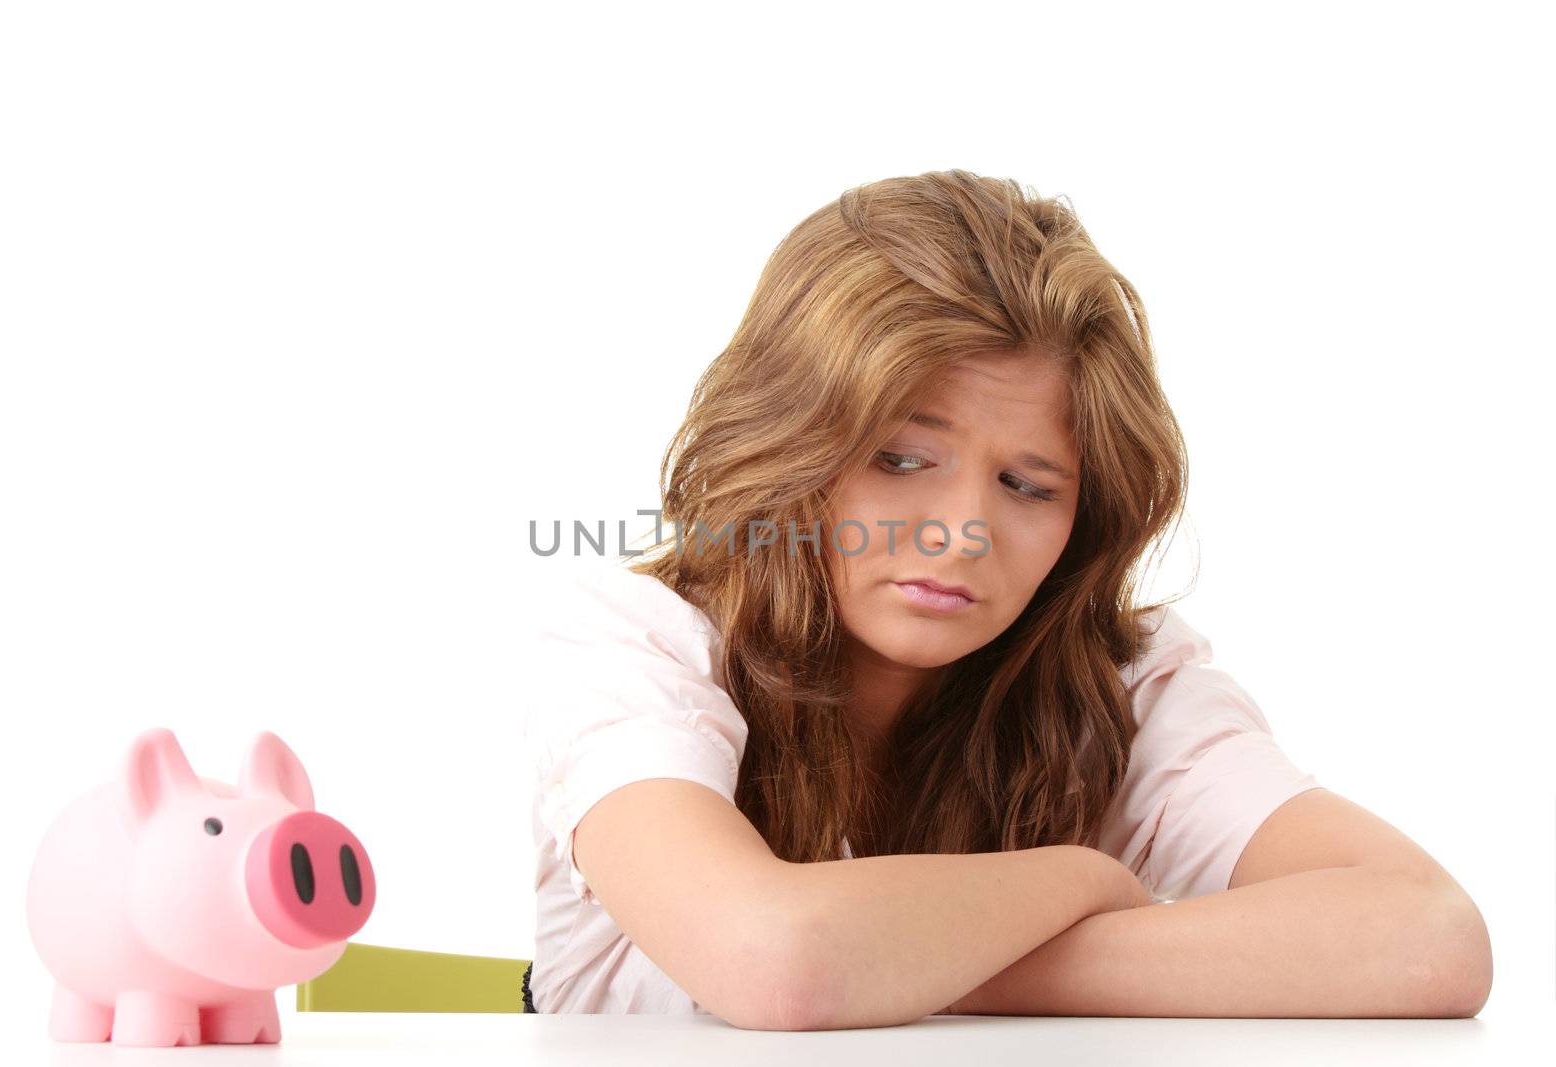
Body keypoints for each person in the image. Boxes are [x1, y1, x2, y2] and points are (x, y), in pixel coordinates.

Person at [522, 170, 1490, 1026]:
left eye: (1028, 485)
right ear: (788, 448)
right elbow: (777, 961)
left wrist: (948, 959)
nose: (960, 533)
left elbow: (1428, 931)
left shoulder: (1119, 681)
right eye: (899, 457)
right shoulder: (640, 642)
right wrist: (1083, 882)